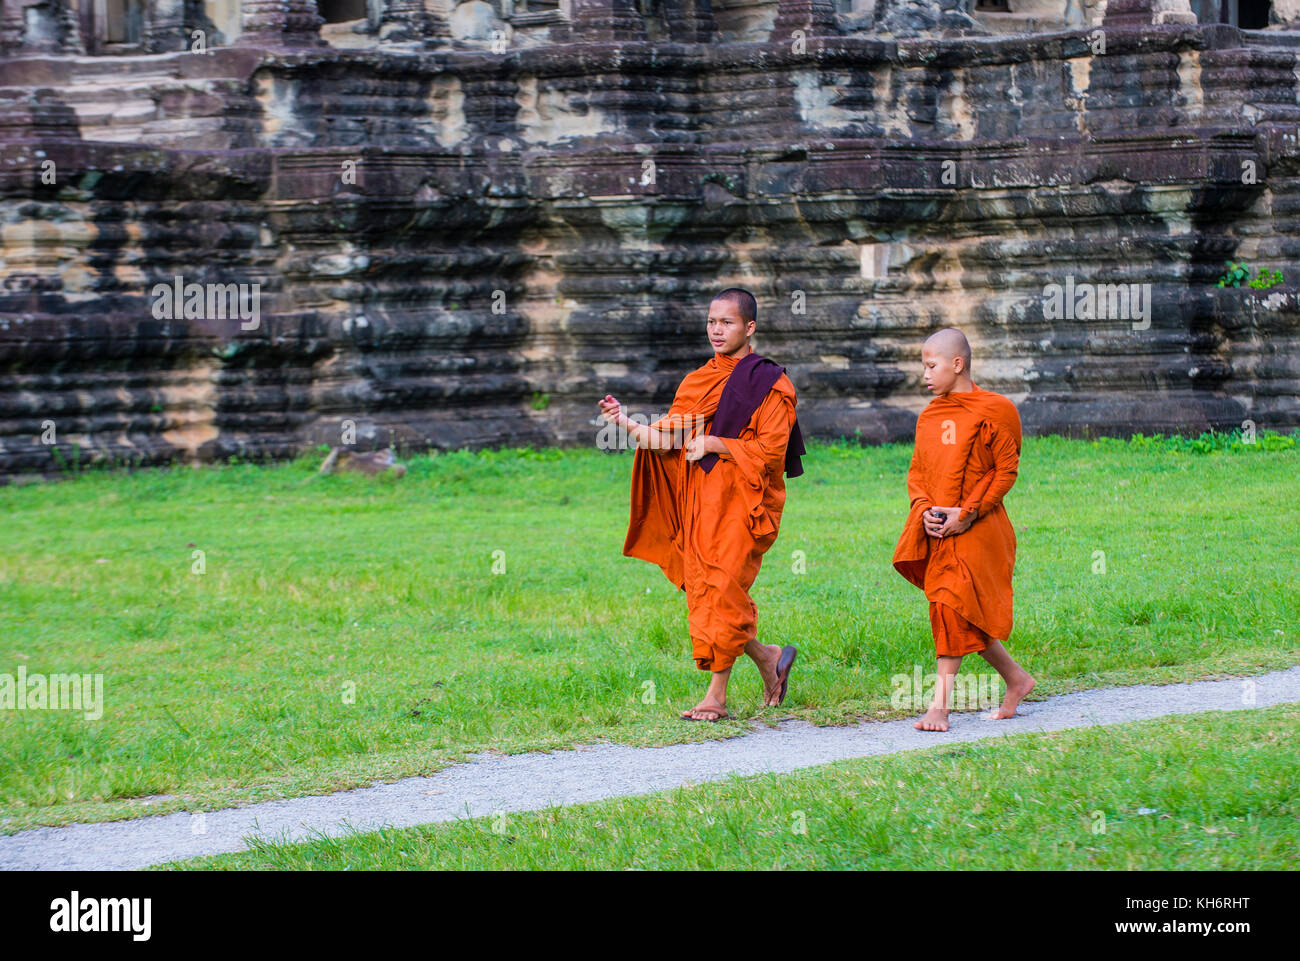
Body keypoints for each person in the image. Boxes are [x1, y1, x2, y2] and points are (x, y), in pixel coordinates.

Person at [600, 288, 805, 721]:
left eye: (727, 322)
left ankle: (716, 695)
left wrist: (715, 442)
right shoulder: (698, 381)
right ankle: (769, 659)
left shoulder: (770, 383)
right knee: (709, 588)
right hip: (702, 503)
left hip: (744, 502)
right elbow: (665, 437)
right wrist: (626, 422)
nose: (717, 330)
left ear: (749, 328)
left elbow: (771, 452)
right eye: (712, 321)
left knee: (723, 585)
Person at [892, 328, 1036, 732]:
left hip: (980, 526)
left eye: (931, 365)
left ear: (958, 364)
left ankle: (938, 707)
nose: (925, 375)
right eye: (923, 366)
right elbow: (918, 473)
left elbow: (1005, 471)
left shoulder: (996, 409)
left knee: (949, 604)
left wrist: (968, 513)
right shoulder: (930, 416)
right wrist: (923, 510)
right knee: (957, 609)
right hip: (940, 526)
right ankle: (1017, 680)